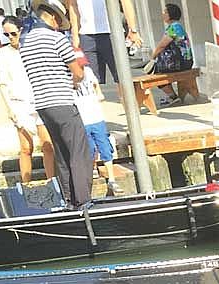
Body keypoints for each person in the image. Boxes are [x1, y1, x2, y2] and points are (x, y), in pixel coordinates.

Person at [19, 0, 94, 208]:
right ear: (53, 17)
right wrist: (74, 81)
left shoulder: (25, 43)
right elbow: (78, 72)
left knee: (61, 153)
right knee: (79, 151)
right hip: (62, 101)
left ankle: (69, 199)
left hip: (43, 105)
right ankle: (83, 201)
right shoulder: (57, 39)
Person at [0, 16, 56, 185]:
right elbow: (2, 82)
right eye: (6, 35)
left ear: (21, 30)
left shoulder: (32, 47)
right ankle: (26, 184)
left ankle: (52, 182)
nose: (10, 38)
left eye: (13, 34)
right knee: (25, 147)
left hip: (38, 99)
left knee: (47, 145)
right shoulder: (3, 53)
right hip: (18, 102)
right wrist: (9, 108)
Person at [73, 47, 121, 196]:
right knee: (89, 148)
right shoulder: (66, 76)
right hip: (82, 118)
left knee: (105, 146)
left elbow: (95, 85)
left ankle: (111, 178)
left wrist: (99, 93)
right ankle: (92, 171)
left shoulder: (87, 71)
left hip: (96, 116)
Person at [68, 0, 142, 85]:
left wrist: (132, 29)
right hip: (86, 35)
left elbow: (126, 2)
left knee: (122, 78)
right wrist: (75, 35)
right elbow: (72, 5)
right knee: (91, 80)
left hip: (112, 32)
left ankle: (126, 98)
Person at [147, 4, 194, 108]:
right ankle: (173, 96)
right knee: (159, 71)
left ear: (170, 15)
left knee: (157, 75)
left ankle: (173, 97)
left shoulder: (174, 28)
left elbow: (162, 46)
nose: (163, 14)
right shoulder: (177, 26)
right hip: (185, 61)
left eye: (165, 12)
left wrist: (152, 57)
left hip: (180, 62)